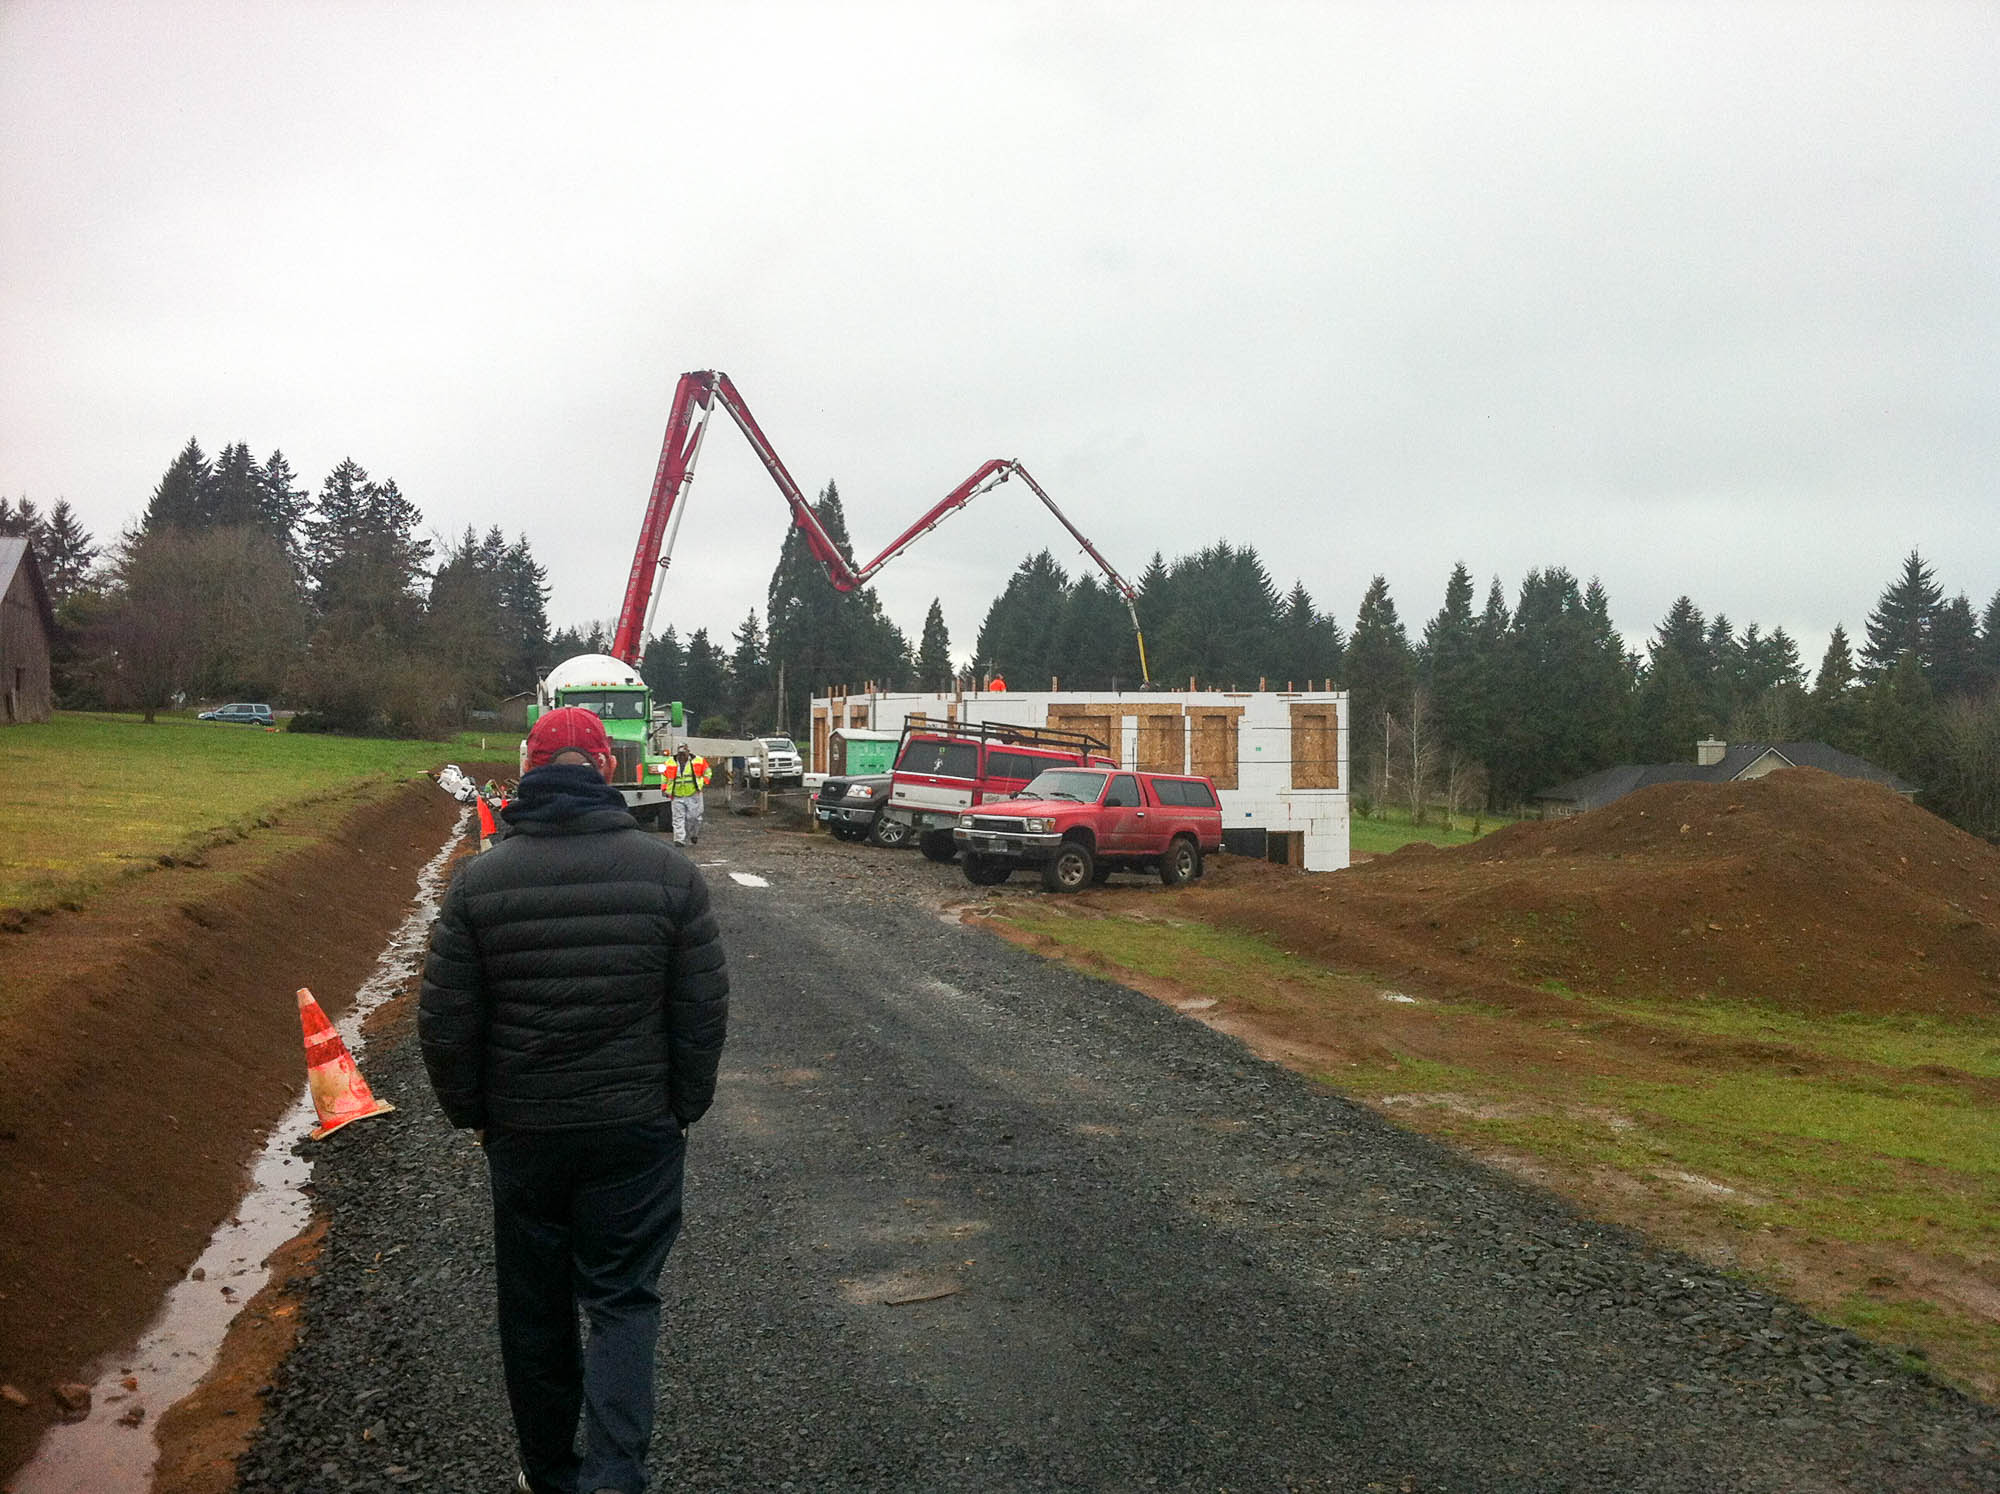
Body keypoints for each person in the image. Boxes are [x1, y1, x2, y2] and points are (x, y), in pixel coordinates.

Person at [418, 705, 729, 1494]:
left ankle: (552, 1471)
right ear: (604, 770)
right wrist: (681, 1106)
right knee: (623, 1299)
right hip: (636, 1128)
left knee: (536, 1308)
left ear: (527, 769)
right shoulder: (671, 874)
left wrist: (475, 1115)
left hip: (527, 1131)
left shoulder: (480, 881)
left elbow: (448, 1023)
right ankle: (616, 1476)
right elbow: (700, 1011)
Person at [665, 742, 711, 847]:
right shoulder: (670, 762)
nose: (682, 755)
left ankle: (693, 834)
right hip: (677, 794)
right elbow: (665, 777)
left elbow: (707, 773)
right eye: (680, 753)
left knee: (694, 817)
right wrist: (665, 789)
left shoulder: (699, 761)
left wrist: (703, 782)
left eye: (684, 752)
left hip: (693, 794)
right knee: (677, 818)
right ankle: (679, 840)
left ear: (688, 752)